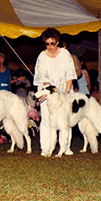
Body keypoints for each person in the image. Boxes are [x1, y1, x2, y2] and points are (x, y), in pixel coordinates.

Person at [34, 28, 76, 156]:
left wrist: (66, 93)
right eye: (47, 44)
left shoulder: (65, 54)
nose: (50, 46)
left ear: (57, 42)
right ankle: (46, 148)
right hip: (48, 93)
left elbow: (70, 74)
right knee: (47, 119)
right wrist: (52, 92)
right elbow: (43, 78)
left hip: (65, 92)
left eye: (52, 43)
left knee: (65, 121)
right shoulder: (42, 56)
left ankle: (66, 147)